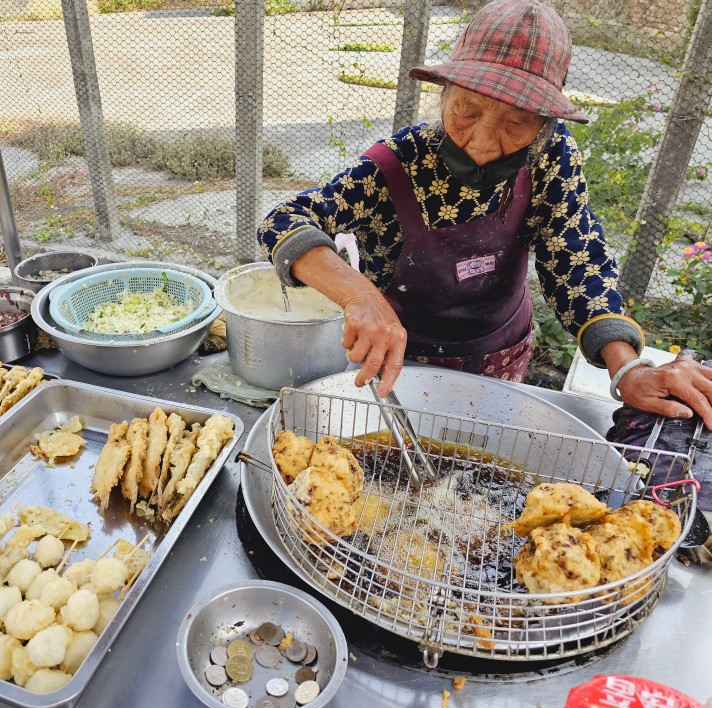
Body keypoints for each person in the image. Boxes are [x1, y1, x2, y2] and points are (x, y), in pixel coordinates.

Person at [258, 0, 712, 427]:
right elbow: (285, 219)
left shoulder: (550, 157)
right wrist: (360, 296)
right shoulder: (396, 163)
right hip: (398, 365)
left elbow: (576, 260)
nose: (481, 143)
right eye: (467, 111)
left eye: (516, 123)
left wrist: (626, 367)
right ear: (444, 95)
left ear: (544, 125)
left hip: (501, 353)